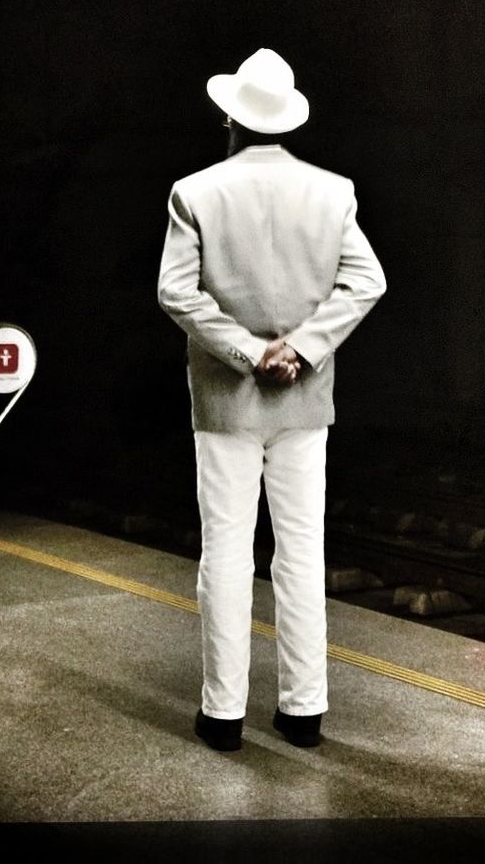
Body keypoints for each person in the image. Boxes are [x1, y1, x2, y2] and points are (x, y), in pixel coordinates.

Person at [157, 47, 386, 753]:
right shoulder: (333, 191)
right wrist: (303, 347)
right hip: (304, 401)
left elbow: (176, 292)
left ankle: (223, 716)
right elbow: (367, 281)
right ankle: (303, 712)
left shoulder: (194, 192)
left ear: (229, 115)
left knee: (225, 552)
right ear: (286, 120)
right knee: (301, 551)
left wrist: (249, 353)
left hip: (226, 402)